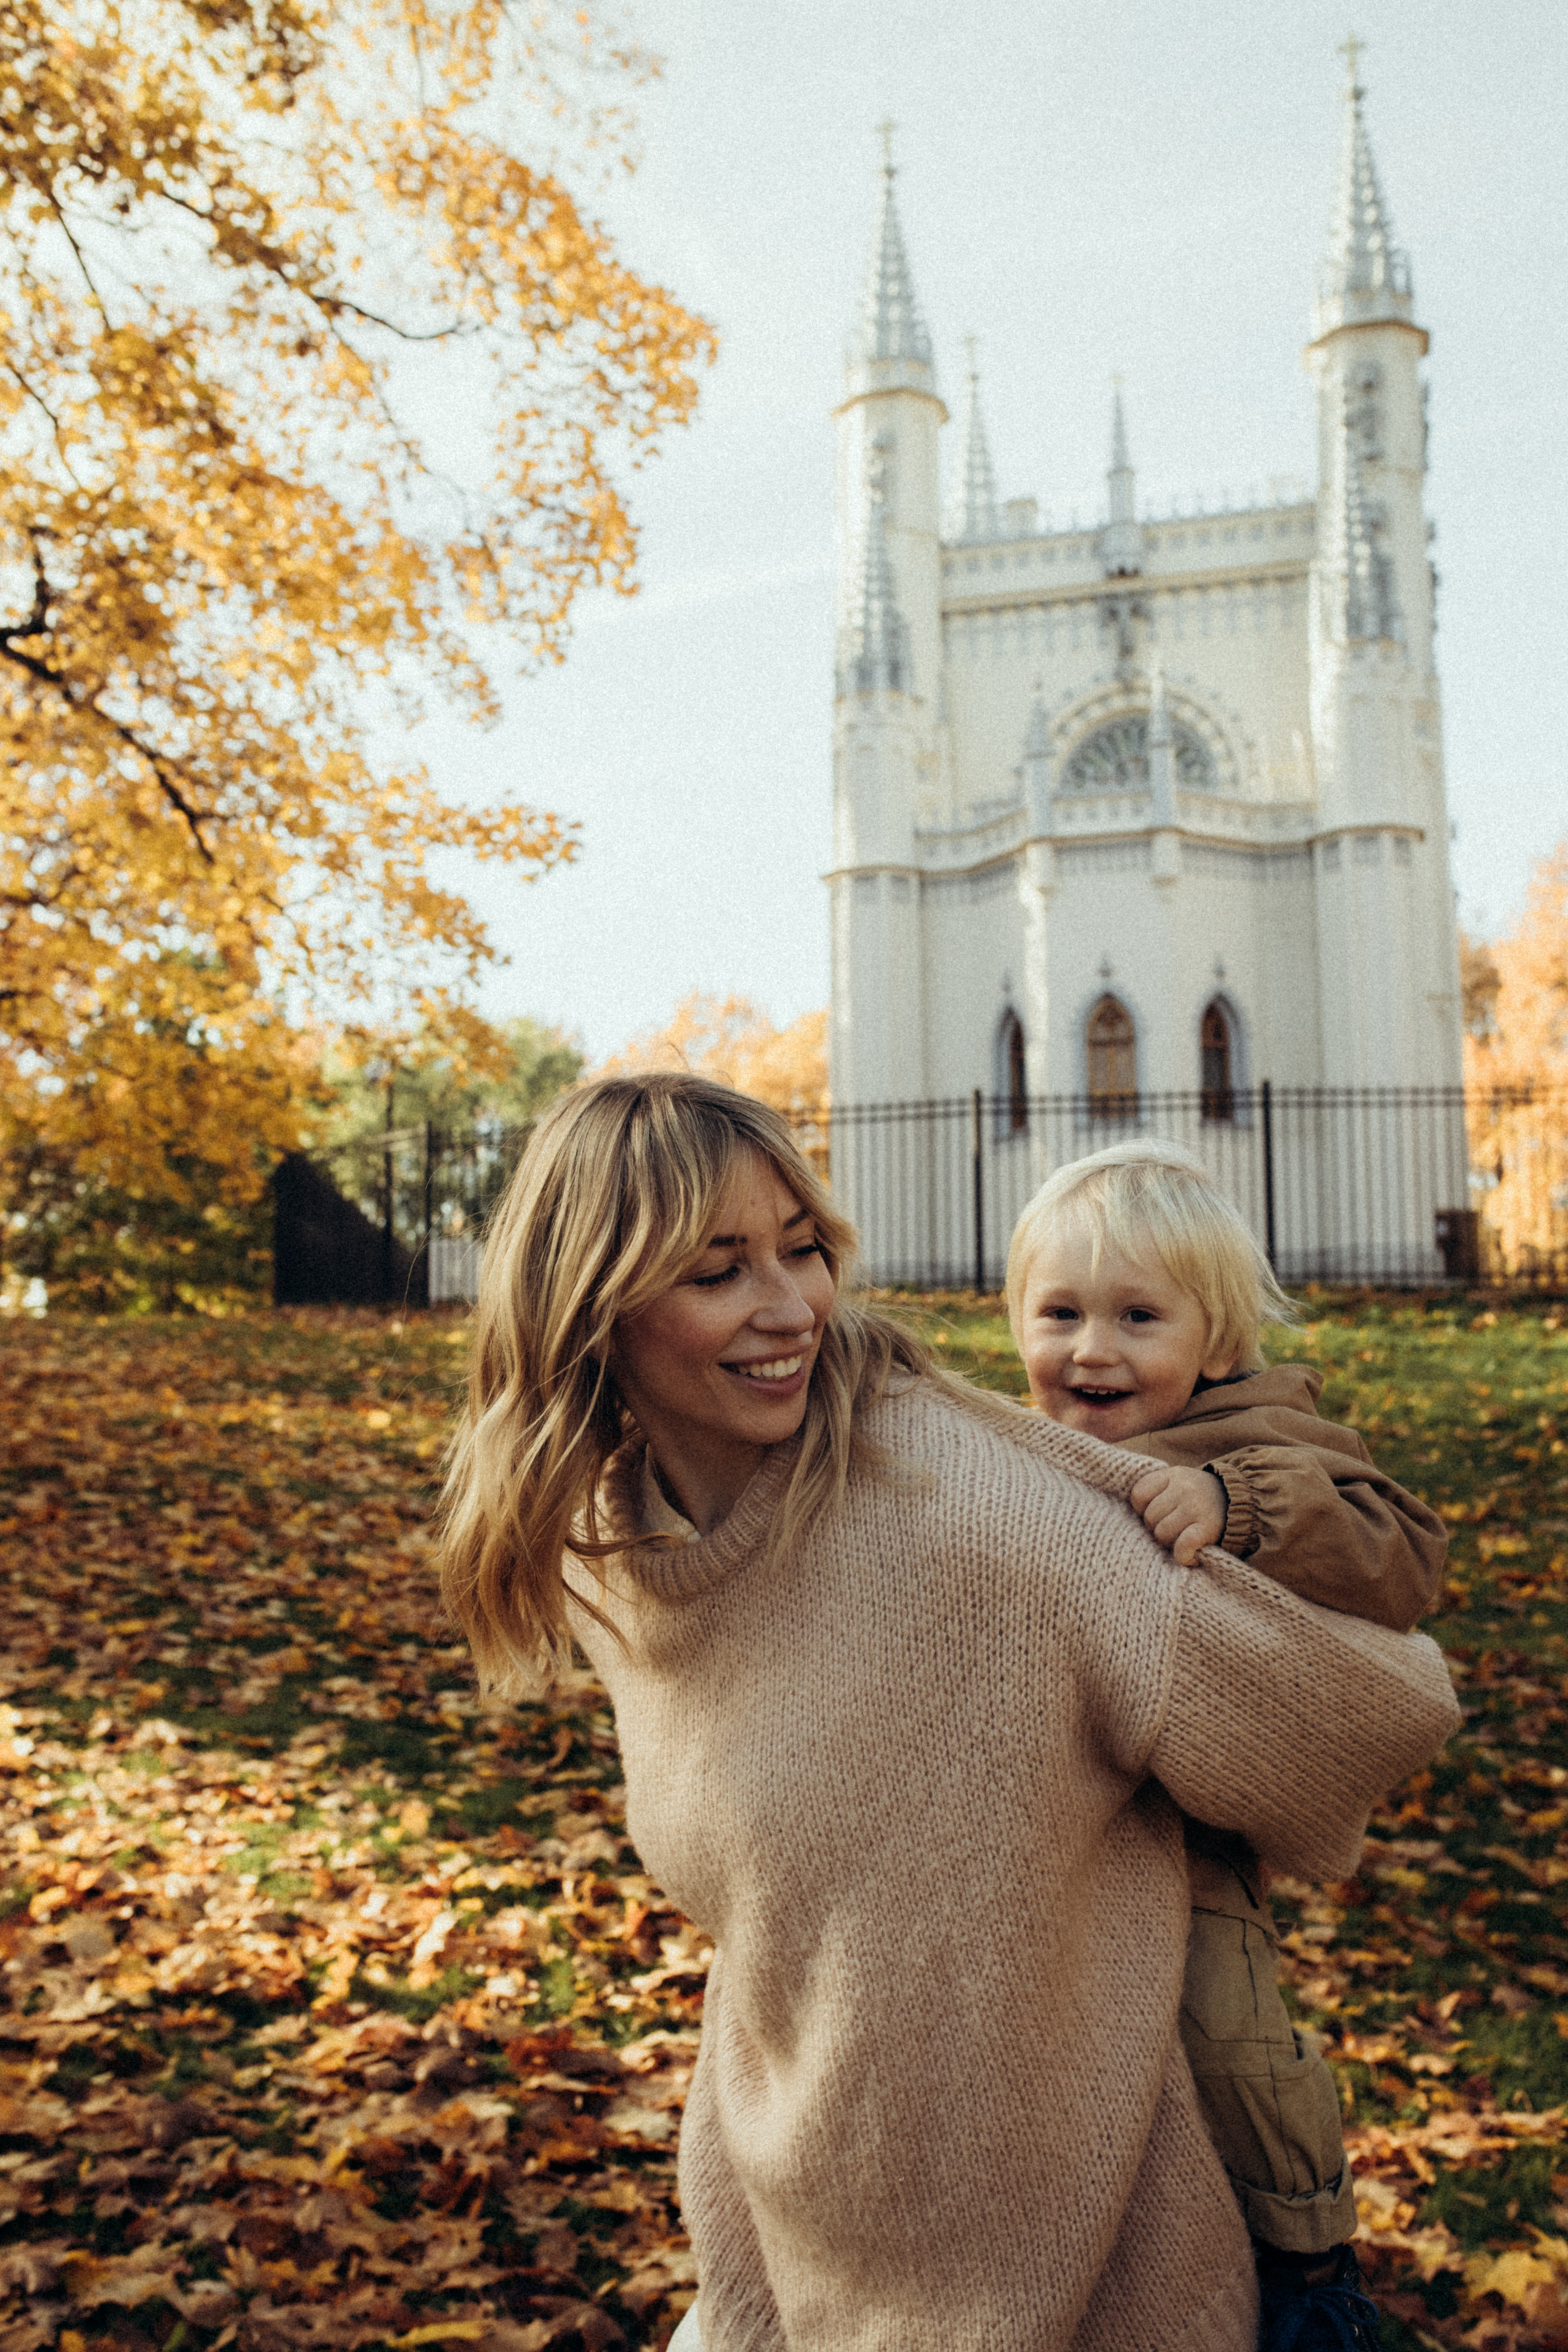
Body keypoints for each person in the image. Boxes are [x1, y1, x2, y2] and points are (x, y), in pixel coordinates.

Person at [439, 1074, 1460, 2352]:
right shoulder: (617, 1551)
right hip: (786, 2241)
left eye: (804, 1251)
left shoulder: (983, 1523)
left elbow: (1377, 1705)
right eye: (719, 1271)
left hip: (1095, 2277)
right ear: (589, 1307)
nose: (790, 1306)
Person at [1005, 1137, 1449, 2352]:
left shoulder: (1259, 1433)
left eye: (1135, 1316)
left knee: (1224, 2043)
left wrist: (1239, 1507)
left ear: (1214, 1342)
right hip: (1052, 1838)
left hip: (1194, 1849)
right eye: (1058, 1313)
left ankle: (1304, 2272)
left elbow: (1404, 1557)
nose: (1090, 1348)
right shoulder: (1024, 1455)